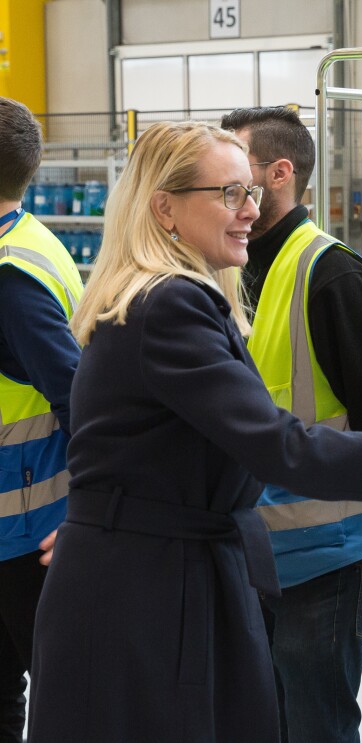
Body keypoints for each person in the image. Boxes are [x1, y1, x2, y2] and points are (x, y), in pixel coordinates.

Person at [26, 121, 362, 743]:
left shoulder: (173, 299)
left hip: (163, 567)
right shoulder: (168, 305)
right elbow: (278, 446)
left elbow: (140, 453)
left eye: (249, 191)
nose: (250, 209)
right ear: (164, 208)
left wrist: (109, 521)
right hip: (152, 586)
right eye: (229, 194)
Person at [219, 105, 362, 743]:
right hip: (252, 550)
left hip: (328, 555)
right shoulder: (227, 268)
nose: (225, 186)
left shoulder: (330, 274)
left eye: (237, 171)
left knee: (315, 725)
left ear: (278, 174)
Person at [0, 96, 82, 743]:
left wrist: (88, 512)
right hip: (20, 525)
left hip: (28, 531)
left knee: (65, 702)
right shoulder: (28, 242)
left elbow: (81, 397)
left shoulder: (11, 277)